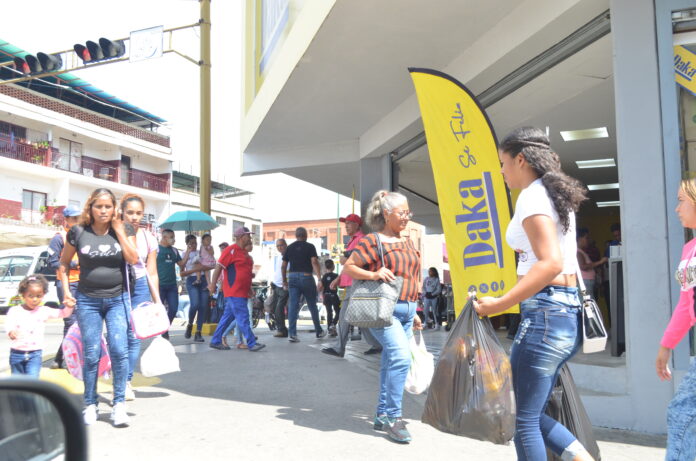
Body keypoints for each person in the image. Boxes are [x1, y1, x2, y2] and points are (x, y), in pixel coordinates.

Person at [473, 127, 594, 460]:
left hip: (545, 315)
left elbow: (551, 263)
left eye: (503, 163)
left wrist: (500, 304)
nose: (501, 171)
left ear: (521, 159)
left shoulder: (533, 196)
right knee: (531, 412)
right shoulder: (552, 195)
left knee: (521, 419)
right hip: (562, 316)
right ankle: (580, 456)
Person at [342, 191, 422, 444]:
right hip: (384, 311)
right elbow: (349, 267)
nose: (406, 217)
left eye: (409, 213)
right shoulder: (372, 241)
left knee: (391, 362)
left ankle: (381, 414)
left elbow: (411, 277)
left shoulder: (406, 241)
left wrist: (415, 310)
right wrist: (375, 275)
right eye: (402, 213)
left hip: (408, 310)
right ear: (386, 214)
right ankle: (393, 417)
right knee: (400, 357)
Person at [58, 187, 138, 427]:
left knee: (119, 350)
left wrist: (119, 231)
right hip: (87, 300)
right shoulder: (77, 231)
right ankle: (90, 404)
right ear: (90, 208)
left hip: (118, 298)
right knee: (91, 353)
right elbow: (63, 264)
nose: (103, 210)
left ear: (115, 209)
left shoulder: (126, 229)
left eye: (108, 206)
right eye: (98, 206)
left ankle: (119, 405)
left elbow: (133, 258)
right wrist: (65, 293)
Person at [656, 178, 696, 460]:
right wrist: (666, 346)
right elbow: (686, 304)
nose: (676, 208)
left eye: (682, 200)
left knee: (683, 413)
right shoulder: (689, 250)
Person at [322, 213, 382, 357]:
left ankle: (339, 348)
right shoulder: (352, 241)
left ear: (357, 225)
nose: (346, 226)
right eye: (345, 223)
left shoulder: (361, 239)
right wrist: (337, 280)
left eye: (349, 223)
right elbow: (347, 265)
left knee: (344, 317)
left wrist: (345, 259)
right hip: (352, 283)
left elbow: (352, 261)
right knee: (360, 319)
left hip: (356, 283)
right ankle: (377, 344)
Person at [120, 194, 161, 401]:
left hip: (141, 287)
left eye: (138, 213)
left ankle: (126, 381)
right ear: (122, 212)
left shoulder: (149, 238)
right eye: (130, 212)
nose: (135, 217)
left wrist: (157, 300)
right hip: (118, 286)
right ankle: (118, 376)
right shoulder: (114, 232)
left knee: (135, 335)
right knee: (118, 335)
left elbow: (152, 271)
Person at [208, 227, 265, 352]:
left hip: (241, 292)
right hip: (234, 291)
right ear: (240, 237)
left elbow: (245, 274)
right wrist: (212, 284)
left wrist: (249, 288)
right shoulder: (230, 250)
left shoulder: (245, 254)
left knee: (227, 317)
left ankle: (215, 340)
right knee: (243, 316)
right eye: (247, 235)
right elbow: (218, 267)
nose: (250, 238)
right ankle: (251, 342)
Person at [5, 275, 75, 377]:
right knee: (18, 381)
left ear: (43, 295)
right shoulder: (15, 310)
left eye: (39, 296)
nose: (34, 299)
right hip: (17, 353)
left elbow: (63, 313)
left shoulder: (43, 311)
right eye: (30, 296)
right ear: (23, 295)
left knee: (32, 380)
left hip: (35, 354)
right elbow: (9, 323)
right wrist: (11, 332)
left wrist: (69, 306)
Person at [46, 204, 82, 369]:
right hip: (65, 283)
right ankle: (68, 358)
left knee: (80, 322)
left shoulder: (83, 235)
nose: (77, 221)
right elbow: (52, 261)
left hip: (84, 283)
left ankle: (60, 357)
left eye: (78, 218)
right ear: (66, 220)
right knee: (70, 321)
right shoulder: (59, 237)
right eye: (73, 218)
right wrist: (73, 263)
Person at [282, 227, 326, 342]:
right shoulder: (310, 247)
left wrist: (284, 280)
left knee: (293, 305)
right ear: (305, 235)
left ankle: (292, 334)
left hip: (292, 278)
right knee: (312, 305)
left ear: (296, 236)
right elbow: (314, 262)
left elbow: (283, 266)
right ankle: (319, 331)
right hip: (306, 277)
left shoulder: (289, 248)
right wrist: (320, 279)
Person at [180, 234, 215, 342]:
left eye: (195, 242)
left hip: (203, 280)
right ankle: (190, 324)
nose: (194, 245)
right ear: (187, 244)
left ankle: (198, 332)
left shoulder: (201, 251)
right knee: (194, 304)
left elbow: (210, 265)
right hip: (191, 280)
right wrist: (195, 269)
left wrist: (209, 282)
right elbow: (182, 272)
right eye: (191, 243)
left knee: (203, 306)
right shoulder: (183, 254)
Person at [157, 229, 185, 338]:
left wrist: (187, 252)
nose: (174, 239)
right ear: (164, 237)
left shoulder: (174, 251)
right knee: (159, 310)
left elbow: (181, 264)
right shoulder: (156, 250)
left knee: (173, 308)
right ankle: (162, 331)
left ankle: (165, 328)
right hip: (159, 285)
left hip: (172, 285)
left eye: (174, 237)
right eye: (171, 237)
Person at [576, 228, 606, 299]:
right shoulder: (577, 252)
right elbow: (583, 266)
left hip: (586, 282)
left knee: (588, 303)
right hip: (584, 283)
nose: (588, 240)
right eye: (586, 238)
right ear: (579, 239)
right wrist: (600, 262)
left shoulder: (581, 251)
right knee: (588, 304)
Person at [270, 238, 289, 338]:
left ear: (286, 245)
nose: (279, 247)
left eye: (281, 245)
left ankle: (282, 330)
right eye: (277, 246)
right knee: (274, 308)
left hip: (284, 286)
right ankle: (282, 329)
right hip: (276, 286)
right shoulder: (278, 257)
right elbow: (278, 271)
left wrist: (286, 283)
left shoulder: (289, 256)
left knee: (279, 308)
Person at [320, 259, 340, 335]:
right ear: (333, 267)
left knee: (329, 313)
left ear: (325, 267)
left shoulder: (324, 276)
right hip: (334, 296)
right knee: (338, 311)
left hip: (326, 296)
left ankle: (329, 329)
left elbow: (321, 287)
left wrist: (323, 296)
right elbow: (340, 285)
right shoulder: (336, 276)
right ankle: (333, 324)